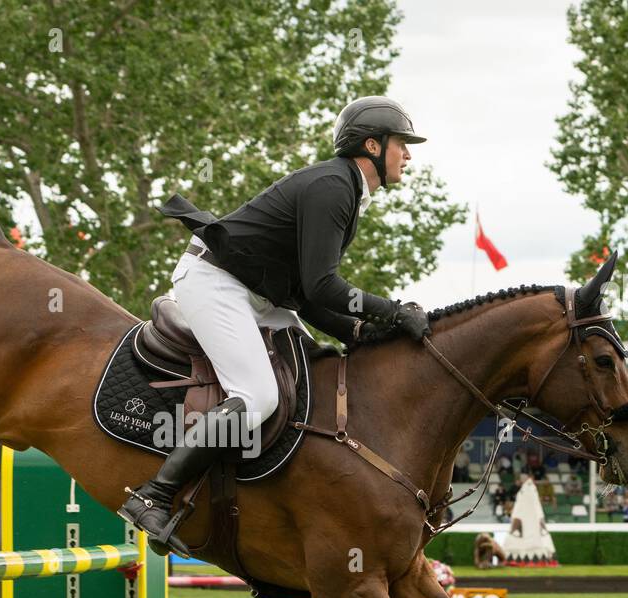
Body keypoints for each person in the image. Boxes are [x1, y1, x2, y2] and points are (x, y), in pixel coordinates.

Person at [122, 96, 431, 548]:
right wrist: (393, 309)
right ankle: (154, 495)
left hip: (257, 293)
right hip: (215, 282)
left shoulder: (345, 190)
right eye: (401, 143)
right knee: (258, 395)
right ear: (372, 145)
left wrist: (359, 332)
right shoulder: (333, 187)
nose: (408, 154)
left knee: (312, 374)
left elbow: (306, 295)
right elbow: (324, 287)